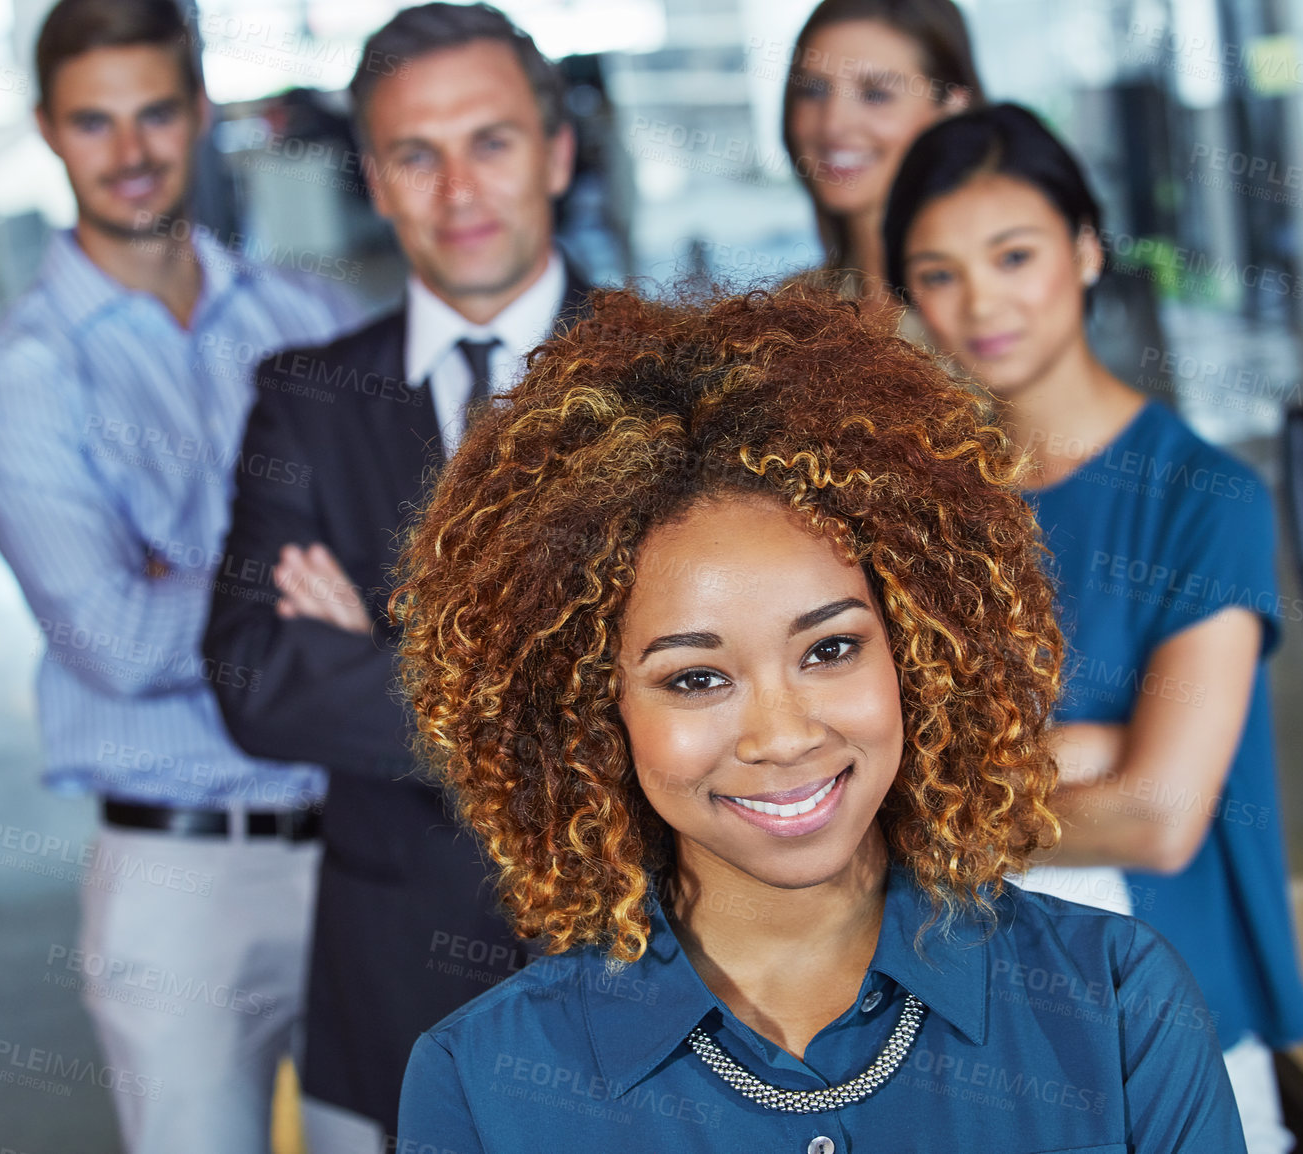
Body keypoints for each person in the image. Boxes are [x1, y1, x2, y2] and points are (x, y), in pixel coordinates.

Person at [389, 285, 1248, 1151]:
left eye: (830, 651)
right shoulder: (483, 1085)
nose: (784, 735)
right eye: (694, 679)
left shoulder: (1119, 1005)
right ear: (586, 715)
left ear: (920, 653)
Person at [883, 103, 1303, 1153]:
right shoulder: (921, 510)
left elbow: (1159, 814)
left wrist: (916, 819)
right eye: (937, 273)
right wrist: (1079, 754)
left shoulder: (1199, 497)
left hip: (1170, 1019)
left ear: (1085, 250)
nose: (980, 300)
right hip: (962, 1016)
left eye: (1014, 254)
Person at [0, 1, 362, 1150]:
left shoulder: (310, 318)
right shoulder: (26, 373)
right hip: (180, 876)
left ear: (198, 112)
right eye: (95, 123)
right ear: (47, 128)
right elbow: (118, 642)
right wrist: (307, 578)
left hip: (360, 849)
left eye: (154, 115)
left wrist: (185, 574)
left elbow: (400, 572)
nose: (129, 154)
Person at [200, 4, 590, 1148]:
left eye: (492, 141)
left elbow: (705, 672)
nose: (458, 189)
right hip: (396, 993)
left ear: (556, 153)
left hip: (640, 969)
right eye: (417, 154)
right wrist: (552, 704)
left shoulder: (668, 375)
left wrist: (380, 658)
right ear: (374, 178)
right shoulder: (306, 398)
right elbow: (256, 672)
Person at [781, 0, 981, 312]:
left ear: (952, 107)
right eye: (814, 90)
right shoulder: (790, 313)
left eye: (875, 94)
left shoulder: (988, 307)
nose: (833, 125)